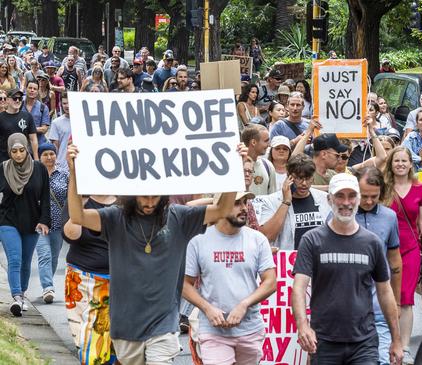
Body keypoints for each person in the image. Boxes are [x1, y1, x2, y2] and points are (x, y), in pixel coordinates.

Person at [65, 142, 244, 364]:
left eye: (155, 197)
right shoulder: (115, 218)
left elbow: (223, 210)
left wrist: (234, 171)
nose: (149, 203)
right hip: (125, 325)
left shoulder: (179, 217)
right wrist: (74, 173)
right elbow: (77, 216)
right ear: (133, 194)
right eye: (144, 197)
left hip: (164, 323)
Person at [292, 173, 403, 364]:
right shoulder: (312, 240)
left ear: (358, 199)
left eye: (351, 196)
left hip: (364, 341)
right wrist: (303, 326)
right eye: (339, 196)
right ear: (329, 199)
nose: (346, 202)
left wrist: (396, 340)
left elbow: (385, 292)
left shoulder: (372, 242)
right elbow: (299, 288)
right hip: (324, 340)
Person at [182, 191, 277, 364]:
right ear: (220, 206)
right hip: (213, 331)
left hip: (250, 329)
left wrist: (244, 304)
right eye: (236, 203)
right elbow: (184, 284)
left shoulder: (257, 239)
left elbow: (270, 282)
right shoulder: (198, 240)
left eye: (245, 202)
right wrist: (207, 308)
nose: (244, 208)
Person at [383, 146, 422, 362]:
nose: (400, 164)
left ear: (411, 164)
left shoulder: (419, 188)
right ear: (391, 164)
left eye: (404, 161)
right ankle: (387, 341)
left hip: (411, 247)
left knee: (406, 297)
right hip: (385, 247)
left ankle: (404, 345)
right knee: (386, 294)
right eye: (396, 161)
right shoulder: (384, 187)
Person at [354, 166, 402, 365]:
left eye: (374, 196)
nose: (368, 201)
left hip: (380, 308)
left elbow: (395, 263)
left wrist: (397, 303)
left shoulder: (389, 217)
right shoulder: (339, 217)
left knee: (382, 360)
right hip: (349, 312)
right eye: (363, 196)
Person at [63, 192, 117, 365]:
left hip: (114, 281)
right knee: (84, 340)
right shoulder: (76, 199)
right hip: (80, 280)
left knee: (103, 346)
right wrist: (81, 203)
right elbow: (71, 235)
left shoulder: (125, 202)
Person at [0, 133, 50, 316]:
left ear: (27, 149)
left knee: (26, 262)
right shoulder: (3, 169)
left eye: (22, 150)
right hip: (7, 221)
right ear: (9, 151)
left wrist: (45, 220)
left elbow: (45, 197)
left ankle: (22, 292)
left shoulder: (39, 169)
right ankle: (17, 298)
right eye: (14, 151)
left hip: (31, 222)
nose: (19, 155)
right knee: (14, 259)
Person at [257, 153, 330, 250]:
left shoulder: (325, 199)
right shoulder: (271, 201)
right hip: (289, 262)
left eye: (308, 178)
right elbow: (266, 237)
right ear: (289, 177)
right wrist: (286, 202)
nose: (304, 183)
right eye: (299, 178)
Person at [34, 143, 67, 304]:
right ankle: (48, 287)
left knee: (54, 258)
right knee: (45, 255)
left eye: (52, 154)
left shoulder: (64, 175)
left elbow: (71, 197)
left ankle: (48, 284)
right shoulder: (34, 174)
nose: (49, 157)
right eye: (45, 154)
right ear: (39, 157)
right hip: (39, 224)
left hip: (58, 224)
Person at [0, 88, 38, 161]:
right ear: (7, 100)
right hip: (4, 160)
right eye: (14, 98)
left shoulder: (27, 116)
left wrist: (36, 159)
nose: (17, 100)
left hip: (24, 159)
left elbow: (33, 139)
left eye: (20, 98)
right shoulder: (1, 117)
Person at [241, 125, 276, 196]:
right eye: (266, 141)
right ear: (253, 142)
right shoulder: (235, 167)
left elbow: (272, 198)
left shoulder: (267, 165)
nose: (268, 145)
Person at [22, 80, 50, 145]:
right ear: (26, 89)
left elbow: (44, 129)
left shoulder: (43, 107)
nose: (32, 90)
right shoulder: (19, 104)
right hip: (22, 144)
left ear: (37, 92)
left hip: (39, 143)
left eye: (35, 89)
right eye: (30, 88)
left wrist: (27, 129)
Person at [48, 92, 71, 169]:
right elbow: (55, 147)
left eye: (69, 102)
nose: (67, 106)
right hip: (62, 166)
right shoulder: (56, 123)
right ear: (61, 104)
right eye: (64, 103)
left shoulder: (83, 120)